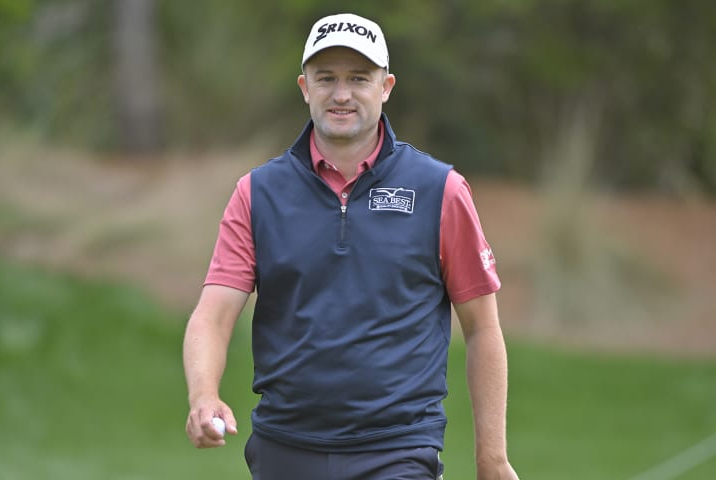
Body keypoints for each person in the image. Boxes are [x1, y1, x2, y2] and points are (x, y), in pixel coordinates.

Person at [183, 12, 520, 480]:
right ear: (305, 87)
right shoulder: (258, 193)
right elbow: (212, 315)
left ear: (386, 86)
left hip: (398, 450)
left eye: (358, 78)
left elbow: (482, 328)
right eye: (327, 78)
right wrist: (203, 395)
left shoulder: (440, 190)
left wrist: (492, 459)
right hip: (285, 448)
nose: (341, 94)